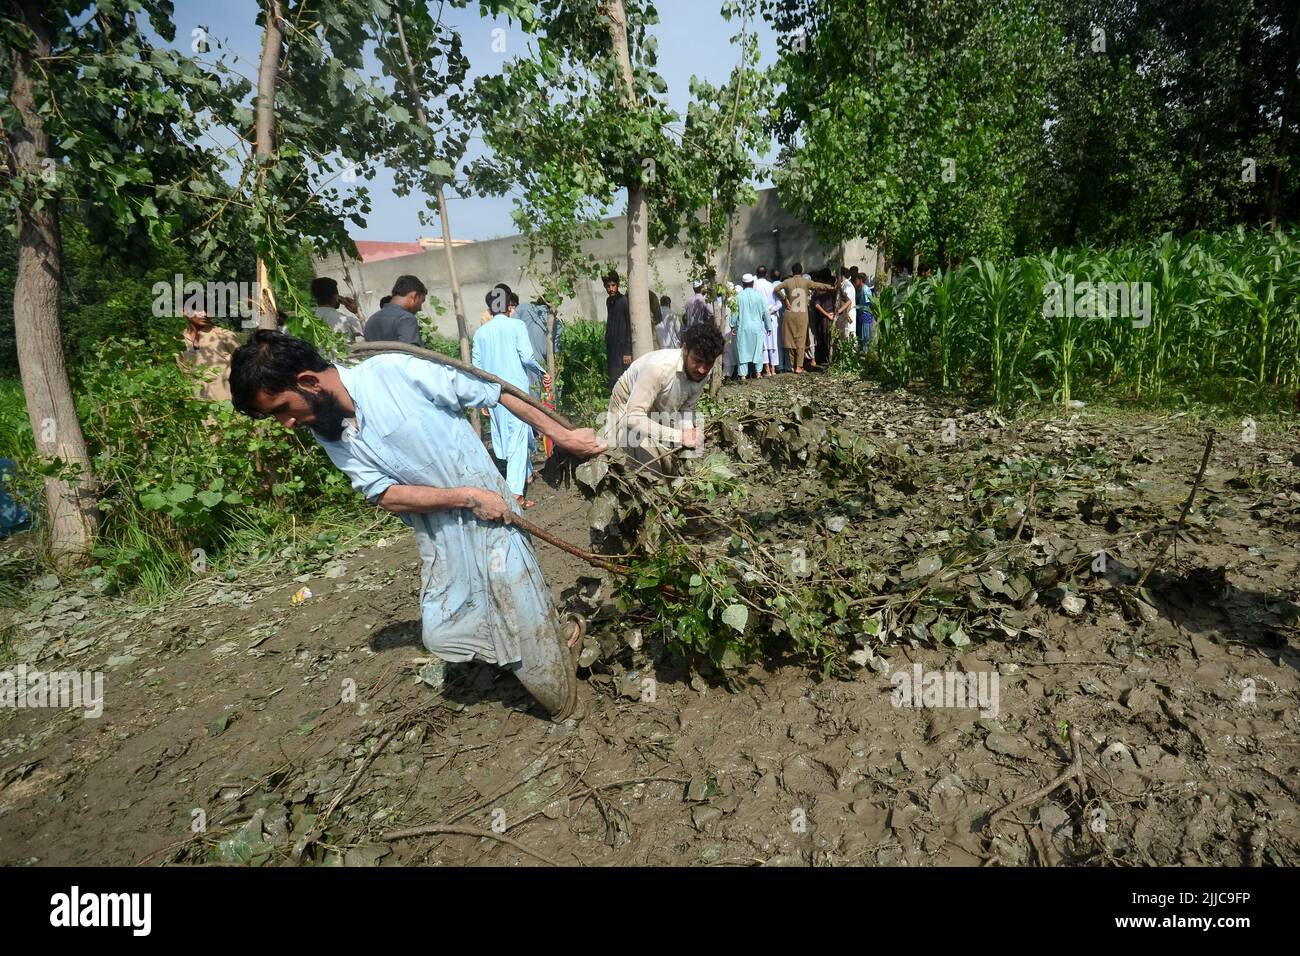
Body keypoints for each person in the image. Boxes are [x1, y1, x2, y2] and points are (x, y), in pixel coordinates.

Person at [228, 331, 606, 722]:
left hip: (496, 518)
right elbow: (385, 494)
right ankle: (552, 641)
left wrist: (563, 436)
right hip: (441, 532)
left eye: (281, 408)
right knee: (443, 631)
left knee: (519, 614)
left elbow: (496, 392)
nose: (287, 423)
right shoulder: (328, 431)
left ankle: (563, 705)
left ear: (307, 382)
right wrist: (464, 497)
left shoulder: (394, 373)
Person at [601, 322, 724, 475]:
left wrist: (689, 433)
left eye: (708, 363)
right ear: (685, 349)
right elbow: (632, 417)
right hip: (628, 406)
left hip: (659, 407)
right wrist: (680, 436)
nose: (702, 369)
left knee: (669, 466)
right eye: (697, 360)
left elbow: (686, 408)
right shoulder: (657, 368)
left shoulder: (703, 373)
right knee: (631, 467)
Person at [473, 289, 548, 508]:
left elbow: (476, 367)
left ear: (489, 308)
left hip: (494, 394)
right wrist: (542, 372)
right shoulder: (517, 326)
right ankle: (516, 494)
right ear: (508, 307)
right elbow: (526, 356)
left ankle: (525, 476)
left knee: (506, 438)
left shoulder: (480, 334)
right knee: (516, 438)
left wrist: (482, 398)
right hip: (515, 392)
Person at [773, 263, 834, 374]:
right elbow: (818, 286)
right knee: (800, 341)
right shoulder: (806, 282)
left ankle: (792, 365)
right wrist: (831, 287)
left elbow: (776, 289)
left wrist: (785, 299)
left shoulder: (787, 282)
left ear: (792, 272)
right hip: (802, 315)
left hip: (790, 314)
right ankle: (799, 367)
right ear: (802, 272)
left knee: (791, 340)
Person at [178, 308, 241, 402]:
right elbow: (183, 374)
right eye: (199, 310)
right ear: (184, 311)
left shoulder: (224, 335)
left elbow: (245, 366)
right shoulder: (179, 341)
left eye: (207, 310)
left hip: (226, 405)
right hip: (196, 405)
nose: (205, 314)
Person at [364, 275, 426, 345]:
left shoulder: (372, 320)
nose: (420, 308)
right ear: (414, 296)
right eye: (421, 301)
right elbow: (411, 353)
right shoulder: (406, 319)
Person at [731, 274, 771, 381]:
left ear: (743, 284)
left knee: (743, 350)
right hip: (757, 327)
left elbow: (734, 313)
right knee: (757, 350)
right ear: (753, 284)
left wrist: (732, 325)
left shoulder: (738, 297)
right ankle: (758, 373)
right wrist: (769, 327)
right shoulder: (759, 296)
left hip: (743, 328)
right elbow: (766, 312)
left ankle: (743, 375)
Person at [310, 277, 365, 341]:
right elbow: (370, 330)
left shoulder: (307, 318)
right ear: (336, 297)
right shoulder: (345, 320)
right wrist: (357, 311)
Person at [604, 272, 632, 394]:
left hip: (622, 350)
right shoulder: (609, 301)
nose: (611, 289)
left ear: (618, 285)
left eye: (613, 285)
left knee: (622, 380)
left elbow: (629, 326)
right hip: (612, 348)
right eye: (608, 286)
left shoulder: (624, 301)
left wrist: (627, 351)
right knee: (613, 378)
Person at [753, 266, 779, 377]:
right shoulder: (771, 286)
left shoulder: (754, 286)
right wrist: (771, 310)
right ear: (766, 274)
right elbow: (779, 304)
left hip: (759, 318)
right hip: (772, 317)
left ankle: (767, 370)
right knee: (773, 344)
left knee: (763, 344)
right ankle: (773, 370)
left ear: (756, 274)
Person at [811, 269, 838, 369]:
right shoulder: (834, 290)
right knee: (828, 337)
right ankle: (828, 358)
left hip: (824, 317)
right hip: (830, 316)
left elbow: (817, 305)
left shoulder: (821, 290)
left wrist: (827, 314)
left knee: (825, 337)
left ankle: (826, 358)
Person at [856, 271, 875, 351]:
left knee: (866, 336)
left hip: (866, 315)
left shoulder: (866, 290)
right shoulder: (862, 289)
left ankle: (866, 353)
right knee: (862, 336)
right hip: (862, 315)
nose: (856, 282)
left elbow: (870, 302)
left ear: (860, 280)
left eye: (857, 280)